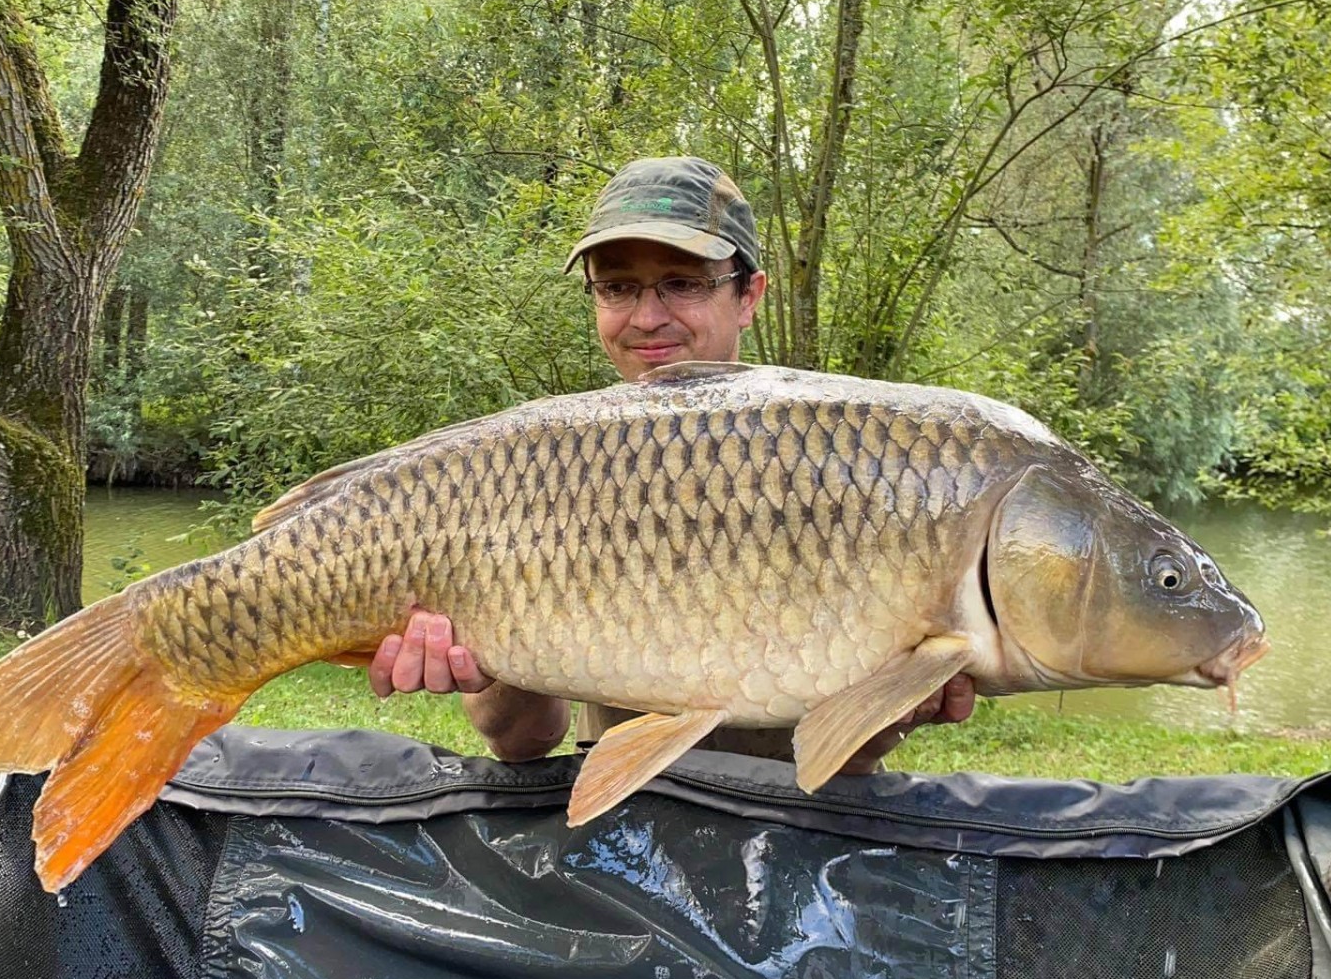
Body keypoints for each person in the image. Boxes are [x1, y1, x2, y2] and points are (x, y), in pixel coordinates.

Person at [367, 155, 975, 770]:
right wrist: (481, 660)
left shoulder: (844, 460)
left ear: (749, 296)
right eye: (617, 287)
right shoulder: (544, 467)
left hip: (799, 818)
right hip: (624, 828)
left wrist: (897, 707)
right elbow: (520, 740)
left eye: (682, 284)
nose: (647, 316)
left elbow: (845, 756)